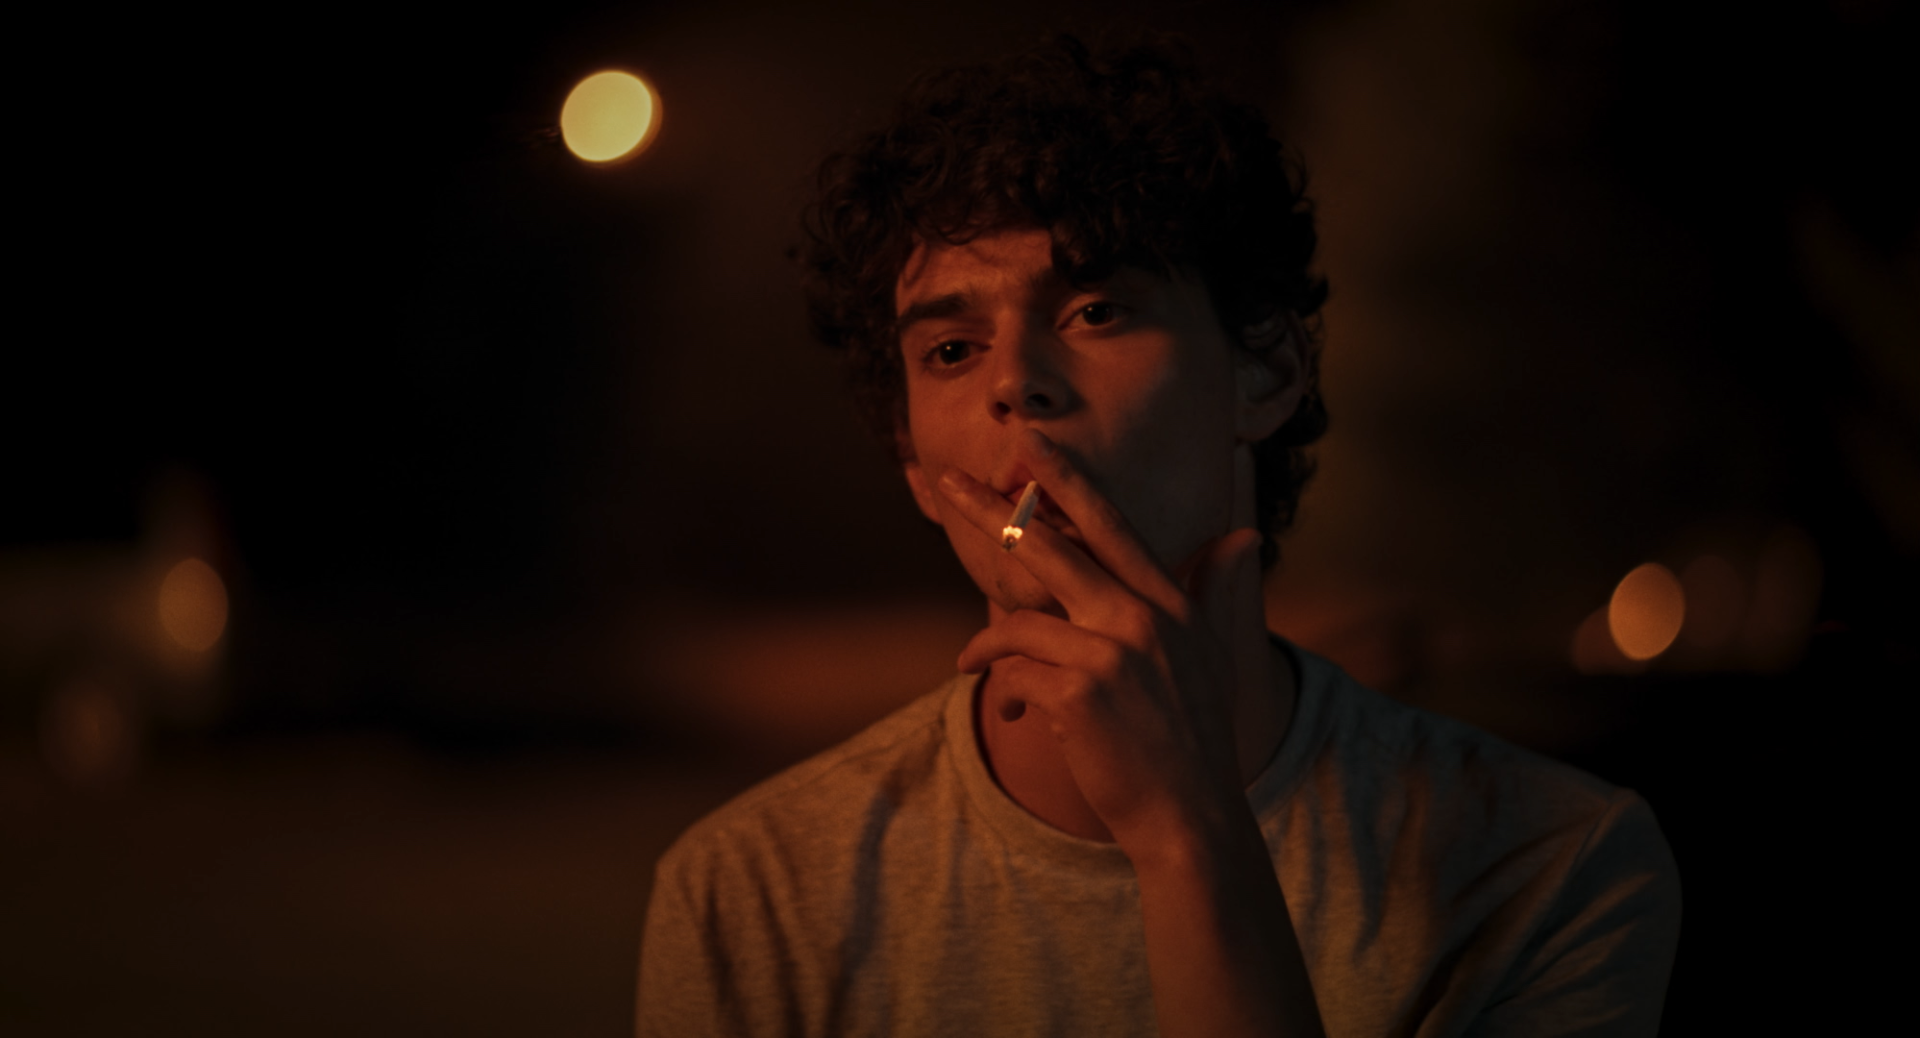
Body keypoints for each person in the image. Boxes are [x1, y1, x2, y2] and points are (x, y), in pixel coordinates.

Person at [637, 35, 1679, 1038]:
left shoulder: (1551, 865)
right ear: (916, 465)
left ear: (1266, 373)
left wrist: (1187, 830)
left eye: (1097, 311)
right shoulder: (750, 894)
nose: (1015, 382)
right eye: (952, 350)